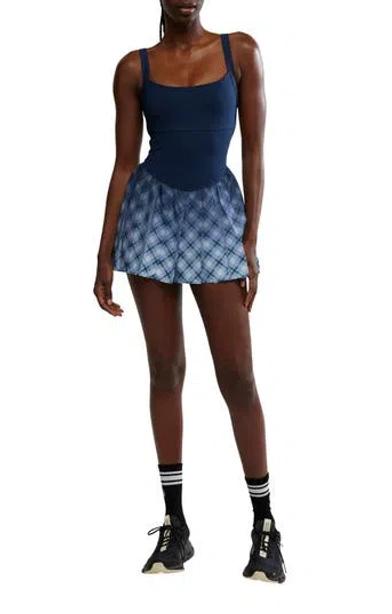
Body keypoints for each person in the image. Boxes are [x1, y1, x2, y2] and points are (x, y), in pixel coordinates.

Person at [93, 0, 286, 583]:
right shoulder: (135, 67)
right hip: (149, 217)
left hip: (216, 217)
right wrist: (104, 253)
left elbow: (254, 151)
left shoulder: (240, 51)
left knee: (238, 375)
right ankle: (176, 526)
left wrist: (250, 240)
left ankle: (265, 525)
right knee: (166, 369)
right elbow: (124, 164)